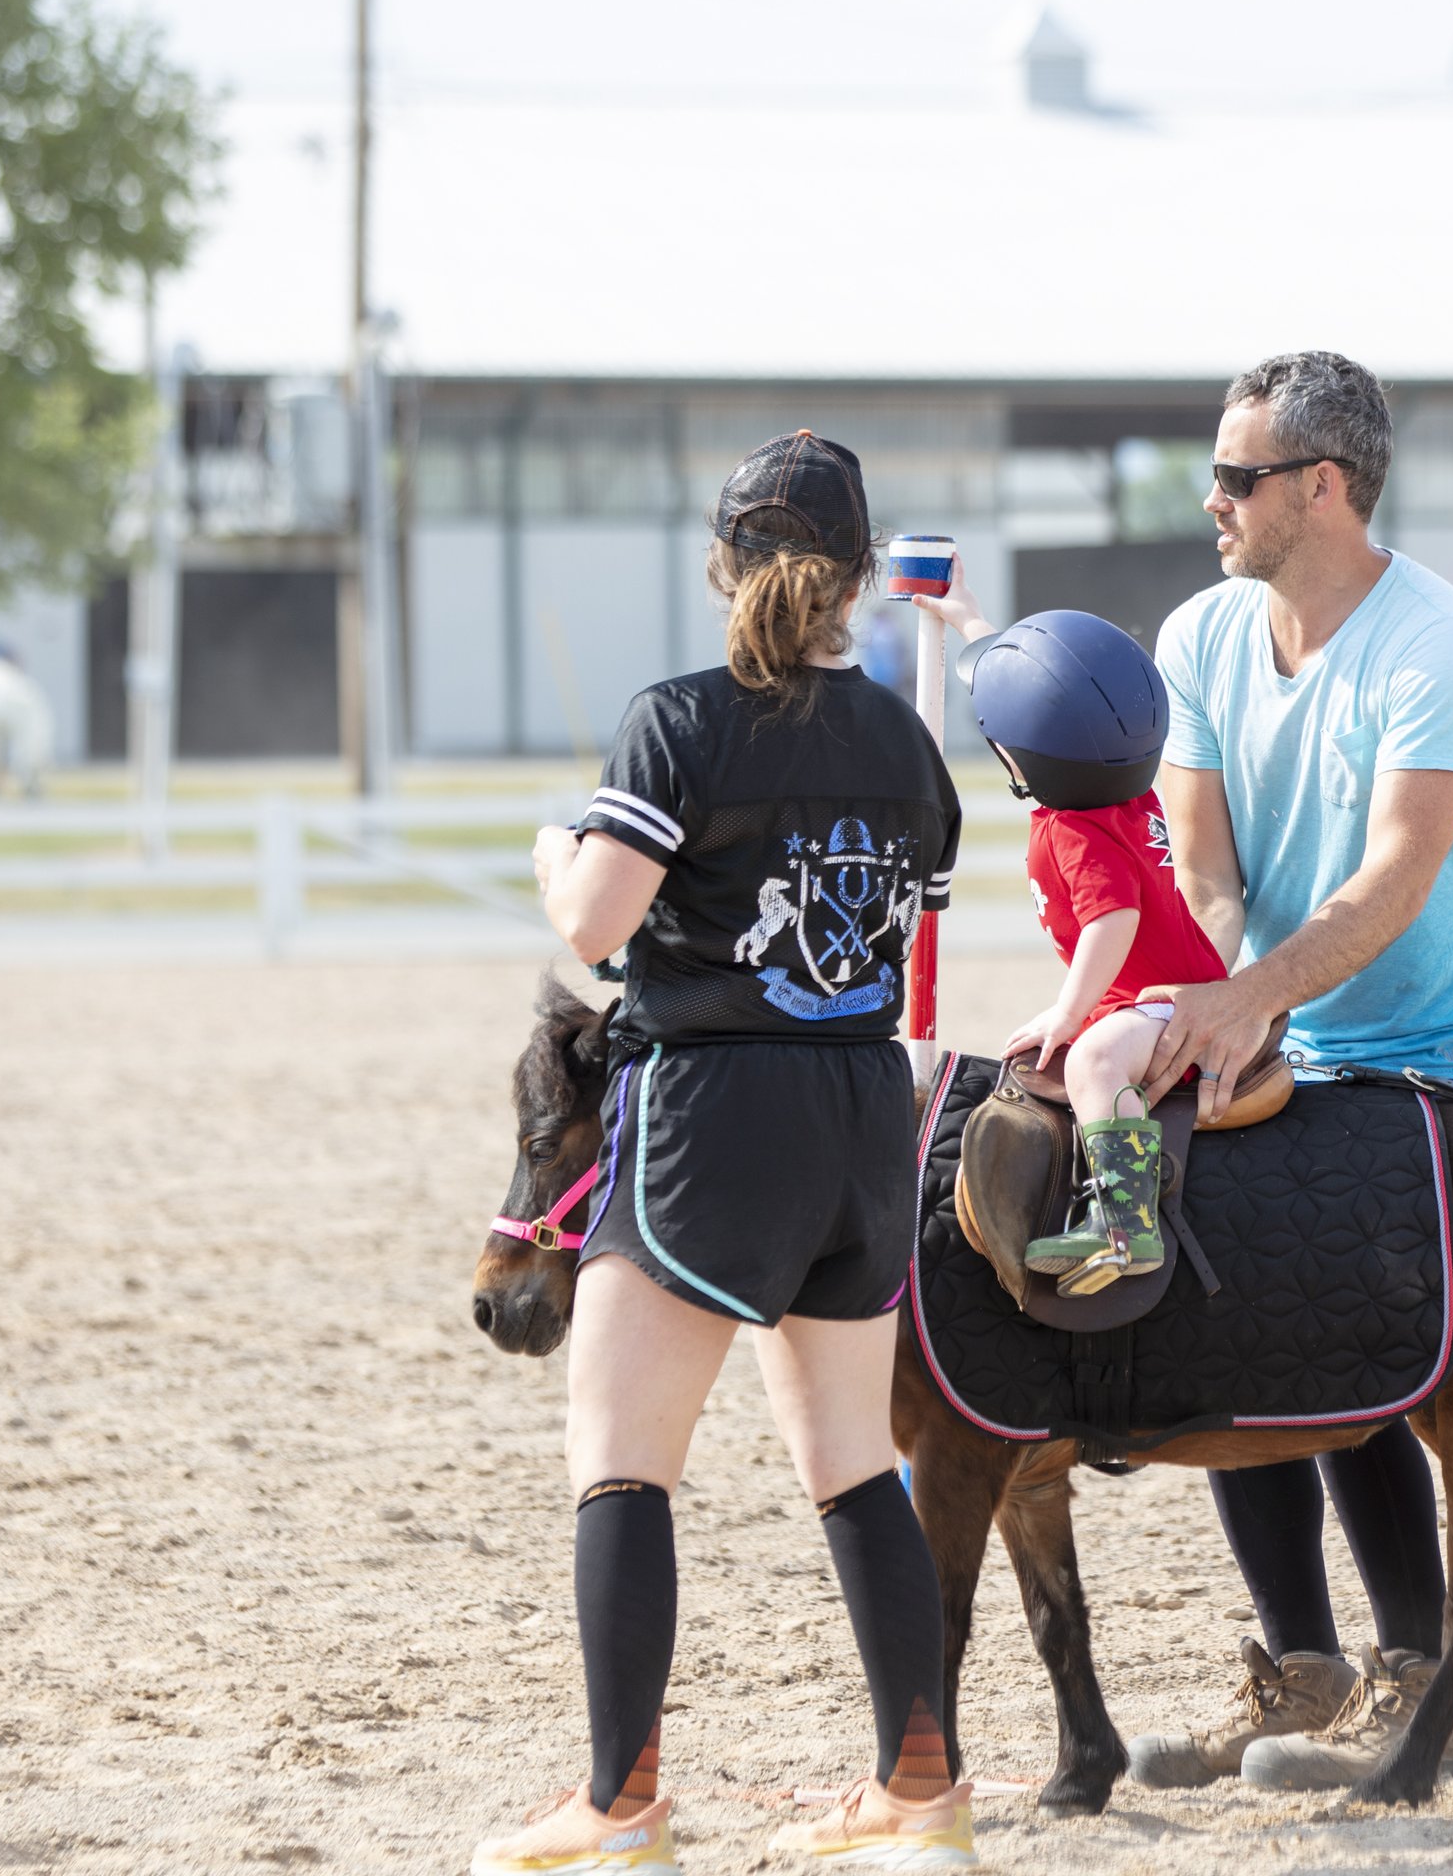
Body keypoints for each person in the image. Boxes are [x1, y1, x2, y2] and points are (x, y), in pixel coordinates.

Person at [473, 431, 976, 1875]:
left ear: (723, 565)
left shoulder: (677, 719)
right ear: (858, 577)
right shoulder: (908, 743)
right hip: (860, 1116)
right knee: (853, 1466)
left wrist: (554, 854)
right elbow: (918, 913)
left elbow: (595, 925)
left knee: (621, 1464)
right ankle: (919, 1789)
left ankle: (619, 1804)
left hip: (713, 1115)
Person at [1122, 350, 1453, 1792]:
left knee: (1342, 1343)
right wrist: (1186, 1009)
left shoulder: (1434, 640)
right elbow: (1205, 874)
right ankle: (1302, 1671)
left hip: (1423, 1049)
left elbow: (1396, 875)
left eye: (1237, 476)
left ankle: (1432, 1694)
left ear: (1324, 487)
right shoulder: (1199, 633)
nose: (1211, 499)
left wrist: (1254, 1000)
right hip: (1274, 1023)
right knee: (1217, 1322)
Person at [904, 594, 1228, 1291]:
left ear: (1022, 755)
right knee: (1087, 1050)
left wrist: (1069, 1013)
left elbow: (1115, 921)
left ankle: (1125, 1223)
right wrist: (969, 619)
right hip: (1151, 990)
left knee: (1091, 1063)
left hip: (1163, 1004)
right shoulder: (1115, 782)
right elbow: (1042, 686)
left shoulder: (1079, 831)